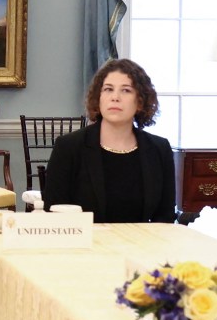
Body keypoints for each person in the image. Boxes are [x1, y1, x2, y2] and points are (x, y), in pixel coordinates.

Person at [40, 59, 177, 223]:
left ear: (140, 102)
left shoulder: (160, 149)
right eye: (108, 89)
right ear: (99, 98)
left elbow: (165, 216)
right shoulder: (68, 147)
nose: (115, 97)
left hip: (143, 239)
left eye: (126, 90)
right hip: (85, 239)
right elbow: (54, 212)